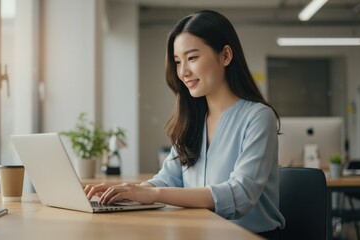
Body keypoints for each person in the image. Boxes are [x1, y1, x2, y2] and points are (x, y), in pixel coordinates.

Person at [85, 10, 285, 239]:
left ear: (226, 56)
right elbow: (168, 178)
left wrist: (154, 195)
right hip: (199, 232)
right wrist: (132, 191)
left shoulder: (258, 117)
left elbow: (240, 194)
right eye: (178, 62)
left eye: (192, 58)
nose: (183, 72)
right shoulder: (193, 119)